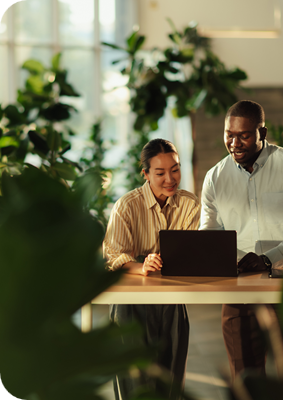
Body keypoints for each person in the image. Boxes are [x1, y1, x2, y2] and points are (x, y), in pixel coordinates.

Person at [199, 100, 283, 397]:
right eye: (229, 134)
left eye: (243, 135)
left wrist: (268, 260)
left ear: (262, 132)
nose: (234, 143)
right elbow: (209, 234)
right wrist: (232, 260)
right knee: (245, 379)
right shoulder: (215, 177)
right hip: (238, 284)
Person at [103, 138, 200, 400]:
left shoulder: (190, 204)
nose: (170, 178)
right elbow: (112, 256)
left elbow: (194, 252)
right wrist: (141, 265)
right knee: (133, 381)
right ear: (145, 174)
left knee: (171, 380)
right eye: (160, 173)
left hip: (172, 299)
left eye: (175, 169)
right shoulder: (127, 205)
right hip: (130, 301)